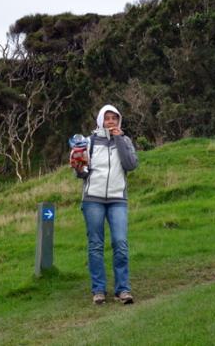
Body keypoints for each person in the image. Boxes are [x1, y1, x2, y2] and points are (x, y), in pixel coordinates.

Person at [72, 104, 139, 304]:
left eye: (114, 118)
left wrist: (118, 139)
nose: (110, 121)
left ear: (119, 120)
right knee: (95, 245)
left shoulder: (125, 140)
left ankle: (123, 289)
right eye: (107, 118)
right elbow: (81, 173)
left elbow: (131, 165)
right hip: (93, 199)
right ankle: (98, 290)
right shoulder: (89, 142)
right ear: (101, 120)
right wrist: (78, 165)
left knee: (120, 243)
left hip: (118, 199)